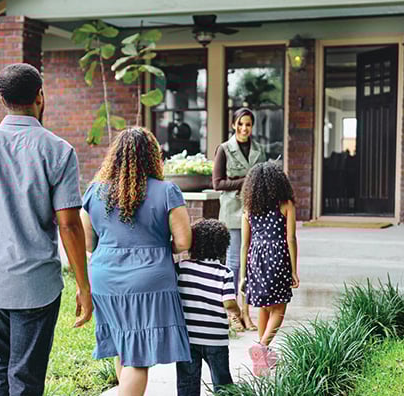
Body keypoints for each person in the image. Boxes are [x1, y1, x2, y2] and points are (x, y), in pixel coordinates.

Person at [0, 63, 93, 395]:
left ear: (2, 100)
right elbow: (68, 224)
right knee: (25, 374)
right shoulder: (59, 150)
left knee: (2, 364)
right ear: (41, 96)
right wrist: (84, 286)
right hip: (36, 285)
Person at [80, 127, 193, 396]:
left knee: (124, 346)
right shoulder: (167, 192)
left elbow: (87, 243)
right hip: (149, 279)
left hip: (105, 278)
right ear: (152, 156)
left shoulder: (94, 191)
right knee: (138, 356)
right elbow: (183, 242)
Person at [239, 161, 300, 376]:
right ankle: (262, 346)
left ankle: (261, 359)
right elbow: (291, 238)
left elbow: (244, 244)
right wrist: (294, 269)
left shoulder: (249, 208)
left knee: (263, 307)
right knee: (279, 309)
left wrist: (242, 275)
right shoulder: (286, 204)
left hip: (256, 258)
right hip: (278, 257)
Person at [211, 107, 266, 332]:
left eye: (248, 125)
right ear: (234, 125)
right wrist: (245, 180)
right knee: (234, 263)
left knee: (251, 263)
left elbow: (263, 181)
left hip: (255, 211)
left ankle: (247, 312)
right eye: (240, 124)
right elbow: (218, 183)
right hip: (233, 212)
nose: (244, 128)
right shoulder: (224, 149)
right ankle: (232, 312)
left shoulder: (259, 151)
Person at [175, 219, 239, 396]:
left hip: (187, 339)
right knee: (222, 381)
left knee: (187, 382)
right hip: (215, 339)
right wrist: (236, 312)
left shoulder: (182, 268)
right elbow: (229, 303)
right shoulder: (224, 272)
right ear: (222, 246)